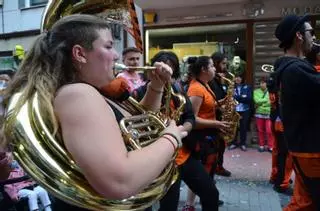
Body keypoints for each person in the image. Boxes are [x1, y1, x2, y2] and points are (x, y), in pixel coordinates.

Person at [2, 14, 187, 210]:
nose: (116, 55)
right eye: (108, 46)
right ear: (80, 54)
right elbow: (119, 181)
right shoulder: (79, 94)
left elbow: (137, 127)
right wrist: (171, 139)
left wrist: (156, 86)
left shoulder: (91, 90)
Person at [134, 51, 220, 211]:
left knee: (211, 193)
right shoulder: (140, 92)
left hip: (183, 154)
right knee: (168, 207)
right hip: (159, 160)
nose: (165, 73)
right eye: (162, 68)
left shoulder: (178, 90)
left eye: (170, 69)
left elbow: (190, 118)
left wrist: (181, 130)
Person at [273, 14, 319, 211]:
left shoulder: (291, 68)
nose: (314, 38)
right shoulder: (296, 70)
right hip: (311, 149)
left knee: (303, 203)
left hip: (304, 147)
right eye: (311, 33)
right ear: (299, 36)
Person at [183, 56, 230, 211]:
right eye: (212, 66)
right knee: (204, 179)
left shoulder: (205, 85)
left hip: (209, 138)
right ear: (203, 69)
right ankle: (192, 204)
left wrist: (220, 105)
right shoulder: (196, 88)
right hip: (200, 139)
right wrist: (217, 123)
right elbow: (192, 119)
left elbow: (207, 106)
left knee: (208, 178)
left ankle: (205, 200)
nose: (215, 69)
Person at [267, 73, 293, 195]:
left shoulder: (273, 81)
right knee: (285, 153)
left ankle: (276, 176)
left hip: (275, 119)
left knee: (278, 151)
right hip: (282, 122)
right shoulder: (283, 84)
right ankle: (281, 182)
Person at [208, 52, 231, 177]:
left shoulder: (220, 79)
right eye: (223, 64)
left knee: (221, 145)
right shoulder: (210, 81)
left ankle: (218, 166)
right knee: (215, 146)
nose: (225, 67)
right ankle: (214, 168)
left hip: (220, 116)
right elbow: (213, 99)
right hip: (213, 117)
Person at [228, 74, 252, 151]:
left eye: (239, 77)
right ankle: (233, 143)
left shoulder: (247, 87)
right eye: (236, 77)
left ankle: (243, 143)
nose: (238, 79)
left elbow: (249, 99)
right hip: (234, 110)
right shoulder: (231, 87)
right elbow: (229, 98)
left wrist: (237, 97)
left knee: (243, 127)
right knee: (234, 127)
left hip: (245, 110)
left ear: (242, 79)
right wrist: (242, 97)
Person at [253, 77, 274, 152]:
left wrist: (263, 103)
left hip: (268, 113)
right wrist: (266, 101)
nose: (262, 84)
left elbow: (271, 101)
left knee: (269, 131)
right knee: (260, 130)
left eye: (263, 83)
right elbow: (257, 101)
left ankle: (270, 146)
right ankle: (261, 145)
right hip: (259, 113)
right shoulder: (256, 91)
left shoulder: (270, 91)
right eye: (261, 83)